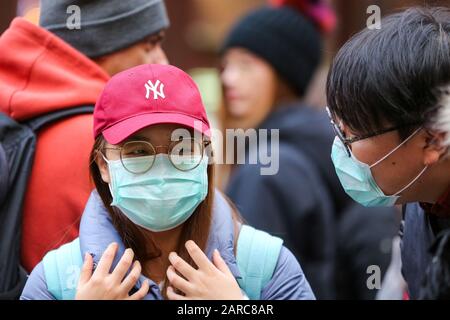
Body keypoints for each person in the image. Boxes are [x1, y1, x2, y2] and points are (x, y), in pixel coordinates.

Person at [20, 64, 315, 300]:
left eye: (182, 147)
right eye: (137, 150)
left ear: (206, 157)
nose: (161, 167)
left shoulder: (266, 266)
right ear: (103, 165)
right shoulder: (56, 281)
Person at [0, 0, 169, 274]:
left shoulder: (20, 103)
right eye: (151, 43)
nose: (162, 60)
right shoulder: (101, 138)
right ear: (101, 43)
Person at [326, 7, 450, 299]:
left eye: (352, 133)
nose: (339, 146)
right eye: (336, 125)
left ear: (433, 140)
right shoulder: (420, 203)